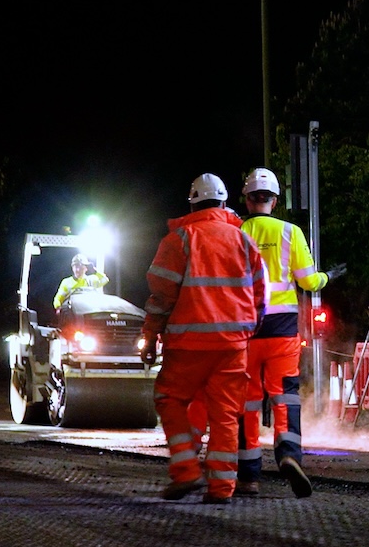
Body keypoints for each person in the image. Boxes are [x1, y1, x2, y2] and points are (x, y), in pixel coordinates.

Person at [141, 173, 265, 505]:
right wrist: (246, 330)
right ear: (224, 204)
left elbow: (161, 296)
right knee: (225, 414)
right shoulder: (243, 240)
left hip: (187, 344)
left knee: (169, 398)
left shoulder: (179, 239)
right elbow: (259, 294)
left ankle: (185, 471)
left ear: (193, 203)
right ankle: (222, 488)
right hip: (232, 345)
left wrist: (150, 335)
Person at [233, 166, 344, 498]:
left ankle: (249, 477)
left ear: (247, 199)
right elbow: (309, 281)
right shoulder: (290, 232)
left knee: (248, 403)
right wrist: (328, 277)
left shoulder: (235, 233)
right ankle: (289, 456)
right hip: (282, 330)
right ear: (275, 201)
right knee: (285, 397)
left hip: (246, 330)